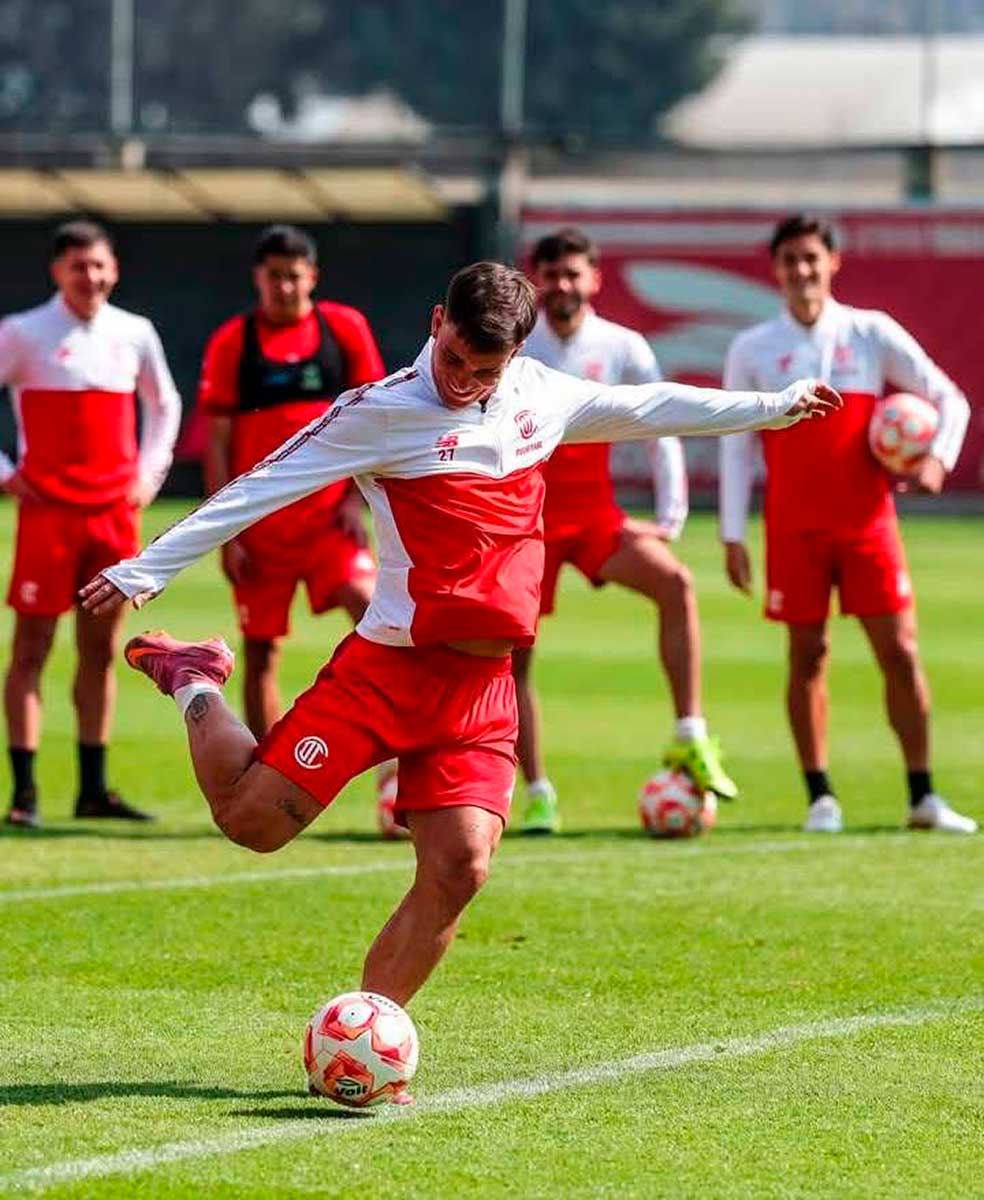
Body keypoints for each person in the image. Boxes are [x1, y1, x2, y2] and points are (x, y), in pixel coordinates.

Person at [81, 262, 838, 1018]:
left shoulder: (539, 395)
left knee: (461, 866)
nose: (463, 381)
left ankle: (364, 1042)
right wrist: (145, 570)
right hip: (388, 672)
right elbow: (258, 485)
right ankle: (193, 676)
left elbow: (649, 405)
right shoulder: (378, 412)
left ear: (513, 357)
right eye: (454, 359)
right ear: (437, 321)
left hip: (481, 694)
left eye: (485, 369)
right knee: (250, 824)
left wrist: (776, 405)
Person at [720, 213, 973, 835]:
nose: (802, 270)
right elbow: (734, 445)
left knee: (902, 652)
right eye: (790, 261)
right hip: (793, 526)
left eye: (812, 258)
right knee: (807, 655)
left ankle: (923, 795)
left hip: (867, 524)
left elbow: (949, 399)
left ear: (833, 263)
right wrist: (731, 532)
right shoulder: (752, 349)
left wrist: (938, 457)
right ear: (775, 270)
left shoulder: (869, 333)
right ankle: (820, 798)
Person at [514, 227, 732, 835]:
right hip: (526, 521)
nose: (563, 284)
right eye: (551, 273)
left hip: (594, 516)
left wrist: (670, 518)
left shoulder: (622, 346)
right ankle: (536, 792)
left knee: (675, 584)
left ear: (594, 278)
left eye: (573, 272)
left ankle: (690, 733)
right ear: (537, 281)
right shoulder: (517, 345)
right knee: (514, 660)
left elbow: (662, 422)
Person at [197, 224, 399, 834]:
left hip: (328, 517)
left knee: (374, 612)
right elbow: (220, 437)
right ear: (259, 279)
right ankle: (272, 776)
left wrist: (356, 499)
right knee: (261, 651)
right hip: (260, 523)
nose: (284, 286)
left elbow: (377, 411)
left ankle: (397, 770)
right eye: (273, 275)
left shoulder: (343, 330)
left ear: (313, 276)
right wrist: (225, 527)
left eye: (294, 274)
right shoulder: (236, 340)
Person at [0, 220, 181, 828]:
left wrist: (147, 478)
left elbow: (166, 404)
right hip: (47, 516)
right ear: (58, 271)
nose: (91, 277)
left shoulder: (135, 332)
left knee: (100, 652)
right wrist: (5, 473)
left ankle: (93, 788)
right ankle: (24, 793)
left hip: (111, 517)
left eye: (100, 266)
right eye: (79, 266)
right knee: (31, 649)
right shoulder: (23, 332)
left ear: (115, 269)